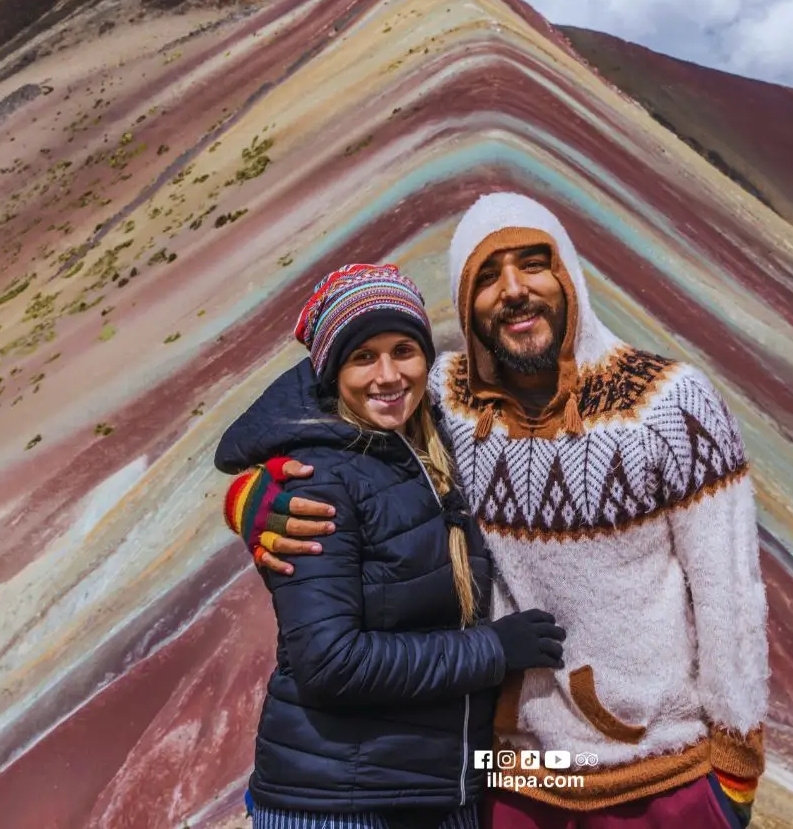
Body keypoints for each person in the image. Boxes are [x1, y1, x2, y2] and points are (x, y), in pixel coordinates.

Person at [220, 194, 769, 829]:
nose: (513, 290)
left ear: (569, 277)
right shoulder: (444, 404)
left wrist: (735, 765)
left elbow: (729, 591)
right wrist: (252, 497)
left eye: (534, 263)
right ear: (464, 304)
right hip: (509, 780)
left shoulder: (671, 406)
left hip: (657, 777)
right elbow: (326, 398)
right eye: (486, 275)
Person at [213, 262, 570, 829]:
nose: (387, 375)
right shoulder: (315, 479)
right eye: (362, 357)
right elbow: (330, 663)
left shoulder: (432, 445)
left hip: (431, 791)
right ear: (332, 371)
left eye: (404, 350)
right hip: (340, 806)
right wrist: (494, 651)